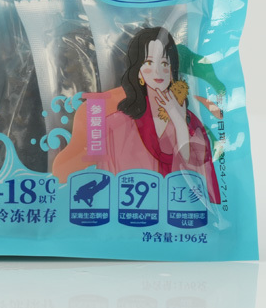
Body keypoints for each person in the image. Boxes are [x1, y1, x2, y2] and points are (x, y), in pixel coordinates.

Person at [53, 27, 220, 203]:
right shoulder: (115, 125)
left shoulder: (190, 122)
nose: (158, 71)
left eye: (164, 63)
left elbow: (198, 171)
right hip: (131, 214)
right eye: (149, 63)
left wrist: (178, 121)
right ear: (138, 71)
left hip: (179, 211)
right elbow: (107, 187)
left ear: (172, 71)